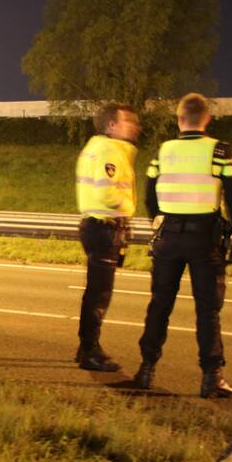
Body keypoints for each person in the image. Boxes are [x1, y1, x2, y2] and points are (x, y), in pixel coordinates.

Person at [135, 93, 232, 397]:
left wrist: (157, 220)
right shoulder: (220, 150)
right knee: (207, 310)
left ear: (178, 119)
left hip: (168, 237)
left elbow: (148, 193)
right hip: (204, 240)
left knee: (160, 305)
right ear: (207, 118)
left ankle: (146, 369)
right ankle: (211, 377)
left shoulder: (164, 150)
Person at [74, 103, 140, 371]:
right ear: (112, 125)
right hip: (105, 227)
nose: (135, 126)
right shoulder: (108, 151)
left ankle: (87, 347)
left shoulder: (98, 148)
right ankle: (89, 351)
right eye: (128, 121)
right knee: (99, 294)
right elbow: (107, 192)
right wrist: (126, 208)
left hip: (99, 226)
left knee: (96, 292)